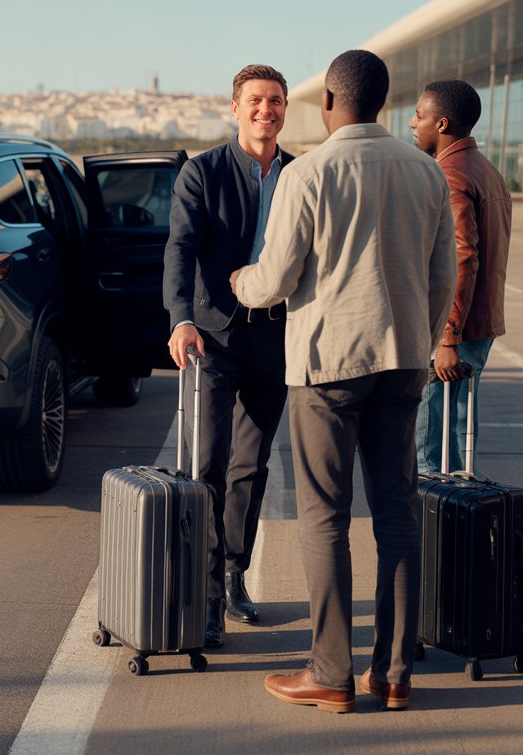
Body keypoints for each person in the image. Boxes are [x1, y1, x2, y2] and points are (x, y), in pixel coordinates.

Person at [230, 50, 456, 713]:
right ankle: (392, 673)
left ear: (330, 101)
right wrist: (420, 332)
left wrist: (242, 282)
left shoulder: (312, 172)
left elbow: (274, 280)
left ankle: (330, 670)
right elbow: (445, 275)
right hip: (404, 359)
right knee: (397, 513)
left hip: (329, 365)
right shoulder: (425, 172)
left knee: (323, 517)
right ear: (383, 102)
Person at [163, 64, 293, 648]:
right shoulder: (203, 171)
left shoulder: (298, 174)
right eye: (257, 101)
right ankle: (209, 591)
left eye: (277, 101)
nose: (267, 110)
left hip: (276, 337)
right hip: (214, 337)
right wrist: (181, 319)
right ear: (235, 108)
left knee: (252, 464)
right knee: (210, 464)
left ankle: (237, 573)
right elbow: (180, 249)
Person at [410, 80, 512, 474]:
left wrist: (447, 336)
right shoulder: (484, 168)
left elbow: (462, 257)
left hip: (455, 332)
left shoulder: (452, 175)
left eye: (420, 115)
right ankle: (454, 529)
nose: (411, 123)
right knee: (457, 448)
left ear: (442, 123)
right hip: (476, 326)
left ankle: (435, 532)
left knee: (430, 456)